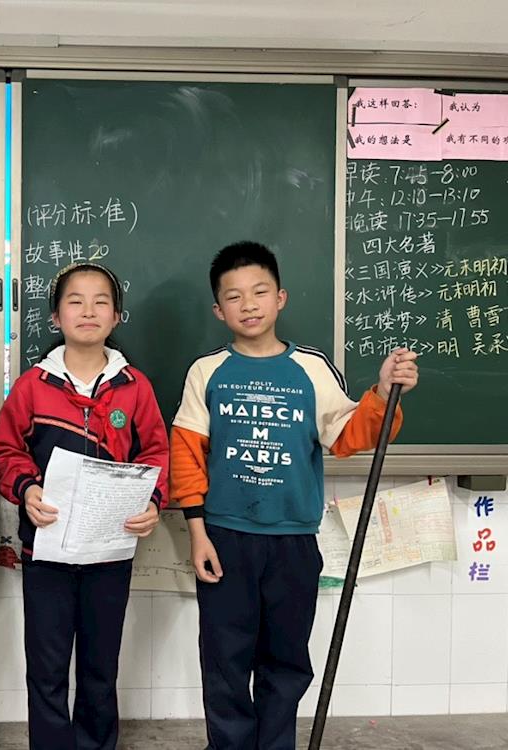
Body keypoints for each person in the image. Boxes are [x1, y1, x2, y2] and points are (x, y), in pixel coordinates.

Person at [170, 240, 419, 749]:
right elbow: (186, 455)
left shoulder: (311, 368)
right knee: (225, 661)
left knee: (285, 661)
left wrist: (382, 392)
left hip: (293, 542)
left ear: (280, 298)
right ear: (219, 310)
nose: (249, 304)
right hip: (225, 537)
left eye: (260, 291)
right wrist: (197, 532)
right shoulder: (207, 371)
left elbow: (349, 437)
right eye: (234, 296)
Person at [0, 261, 169, 750]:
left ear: (116, 316)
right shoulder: (32, 385)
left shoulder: (134, 387)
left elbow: (157, 452)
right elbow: (5, 450)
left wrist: (153, 502)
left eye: (101, 302)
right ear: (55, 317)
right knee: (46, 668)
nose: (88, 311)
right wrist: (27, 489)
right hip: (46, 553)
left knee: (99, 668)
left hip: (110, 553)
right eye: (75, 301)